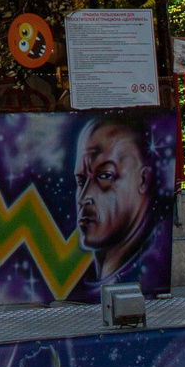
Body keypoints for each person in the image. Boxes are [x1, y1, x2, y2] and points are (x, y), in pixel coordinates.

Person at [75, 114, 166, 291]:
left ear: (143, 179)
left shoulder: (150, 275)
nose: (83, 197)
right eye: (80, 181)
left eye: (105, 176)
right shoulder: (82, 285)